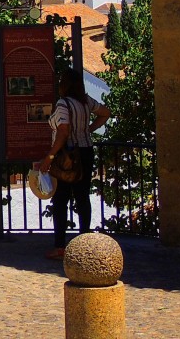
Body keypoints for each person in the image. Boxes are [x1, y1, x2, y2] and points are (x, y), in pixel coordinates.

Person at [38, 70, 110, 260]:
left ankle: (60, 246)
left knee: (61, 200)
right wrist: (88, 130)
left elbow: (63, 132)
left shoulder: (64, 104)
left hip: (67, 156)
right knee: (82, 197)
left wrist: (49, 157)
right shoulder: (85, 101)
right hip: (85, 152)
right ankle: (84, 244)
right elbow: (105, 113)